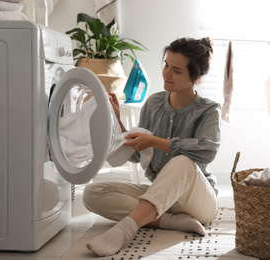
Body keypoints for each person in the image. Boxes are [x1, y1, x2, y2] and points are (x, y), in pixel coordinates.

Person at [83, 37, 221, 257]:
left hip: (198, 201)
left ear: (195, 77)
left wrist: (154, 142)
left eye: (176, 70)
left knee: (183, 161)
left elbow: (207, 150)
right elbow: (137, 155)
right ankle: (171, 221)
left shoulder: (209, 110)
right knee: (92, 193)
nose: (166, 73)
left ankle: (125, 229)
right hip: (162, 196)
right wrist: (118, 123)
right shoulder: (154, 103)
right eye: (166, 65)